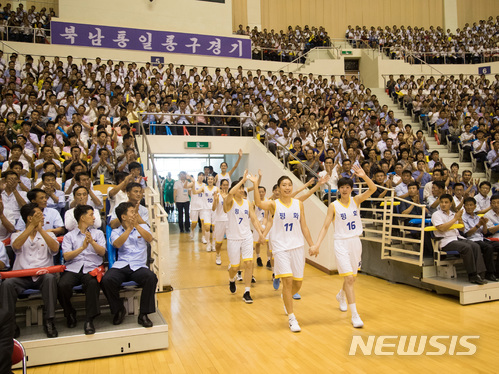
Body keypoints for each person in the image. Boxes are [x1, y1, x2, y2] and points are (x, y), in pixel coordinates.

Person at [309, 165, 377, 328]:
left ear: (351, 188)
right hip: (340, 243)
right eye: (342, 187)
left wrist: (364, 176)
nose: (345, 189)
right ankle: (355, 315)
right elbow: (325, 226)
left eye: (347, 187)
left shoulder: (356, 200)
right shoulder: (334, 206)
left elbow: (373, 189)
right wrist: (317, 244)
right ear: (338, 189)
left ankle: (341, 295)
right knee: (348, 278)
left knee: (351, 278)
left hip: (355, 242)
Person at [251, 174, 314, 332]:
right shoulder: (273, 204)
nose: (287, 187)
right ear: (278, 188)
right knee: (287, 281)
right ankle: (292, 318)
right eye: (284, 185)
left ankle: (285, 298)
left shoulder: (298, 204)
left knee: (297, 284)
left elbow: (304, 227)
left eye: (289, 185)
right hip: (280, 247)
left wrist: (312, 244)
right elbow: (258, 202)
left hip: (297, 246)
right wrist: (255, 183)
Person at [2, 203, 60, 338]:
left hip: (42, 275)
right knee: (7, 284)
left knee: (51, 279)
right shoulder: (17, 235)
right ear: (29, 218)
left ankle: (49, 320)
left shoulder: (48, 235)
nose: (42, 217)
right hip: (22, 276)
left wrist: (40, 230)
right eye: (38, 215)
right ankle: (9, 324)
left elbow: (55, 249)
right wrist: (31, 228)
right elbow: (15, 246)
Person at [101, 202, 157, 327]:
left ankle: (144, 314)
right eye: (132, 212)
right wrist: (129, 229)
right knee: (107, 280)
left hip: (139, 266)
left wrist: (136, 225)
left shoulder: (143, 227)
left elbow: (149, 238)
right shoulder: (115, 231)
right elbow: (117, 244)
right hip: (122, 265)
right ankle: (118, 309)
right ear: (123, 217)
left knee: (151, 278)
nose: (135, 214)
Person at [58, 205, 106, 335]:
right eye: (91, 215)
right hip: (73, 267)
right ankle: (69, 313)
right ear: (82, 217)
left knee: (92, 283)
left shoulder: (98, 233)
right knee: (63, 285)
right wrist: (82, 248)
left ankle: (89, 319)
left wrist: (92, 243)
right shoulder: (69, 236)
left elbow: (102, 253)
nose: (94, 217)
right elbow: (66, 256)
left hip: (92, 267)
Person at [223, 171, 264, 303]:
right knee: (235, 267)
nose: (242, 190)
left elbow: (254, 219)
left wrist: (261, 234)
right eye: (239, 188)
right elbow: (230, 193)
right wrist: (243, 180)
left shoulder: (248, 203)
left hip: (247, 237)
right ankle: (231, 279)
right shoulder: (229, 201)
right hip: (233, 239)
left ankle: (247, 292)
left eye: (242, 188)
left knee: (248, 263)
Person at [432, 194, 487, 285]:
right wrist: (455, 219)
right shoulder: (436, 214)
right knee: (466, 247)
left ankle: (481, 274)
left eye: (446, 202)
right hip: (446, 241)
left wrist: (460, 219)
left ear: (450, 204)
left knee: (475, 245)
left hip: (457, 237)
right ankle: (472, 275)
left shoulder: (454, 214)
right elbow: (441, 228)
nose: (443, 204)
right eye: (441, 202)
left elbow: (461, 229)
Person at [462, 197, 498, 282]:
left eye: (471, 205)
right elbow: (467, 234)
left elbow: (484, 232)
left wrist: (484, 224)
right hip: (472, 240)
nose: (469, 207)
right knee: (488, 248)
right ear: (464, 206)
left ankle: (497, 272)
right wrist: (478, 225)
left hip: (482, 238)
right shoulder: (463, 218)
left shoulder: (477, 217)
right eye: (467, 205)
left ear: (475, 206)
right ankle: (489, 273)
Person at [212, 179, 229, 265]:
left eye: (227, 185)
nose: (225, 186)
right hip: (219, 221)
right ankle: (218, 255)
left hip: (229, 221)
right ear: (221, 186)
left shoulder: (231, 195)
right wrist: (215, 200)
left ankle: (232, 260)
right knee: (219, 243)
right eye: (224, 185)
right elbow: (213, 208)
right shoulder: (217, 195)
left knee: (231, 242)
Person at [187, 172, 206, 240]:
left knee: (203, 222)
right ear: (197, 177)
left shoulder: (205, 185)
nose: (201, 177)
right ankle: (192, 231)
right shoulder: (194, 183)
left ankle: (203, 237)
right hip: (194, 206)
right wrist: (190, 180)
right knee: (194, 223)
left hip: (202, 206)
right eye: (200, 175)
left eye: (202, 176)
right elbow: (187, 186)